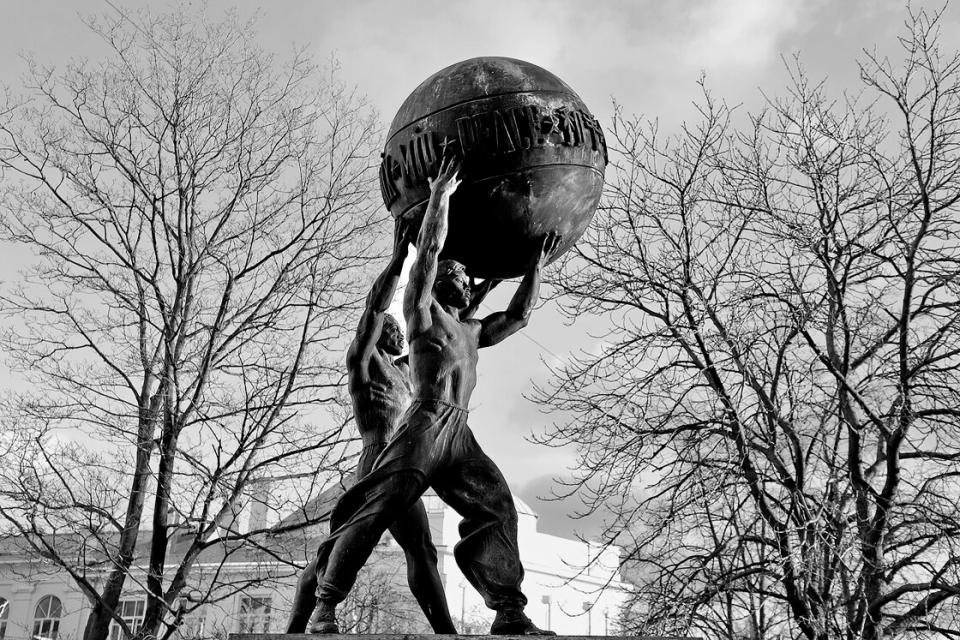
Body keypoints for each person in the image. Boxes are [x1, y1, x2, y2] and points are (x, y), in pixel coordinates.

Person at [308, 156, 561, 636]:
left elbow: (521, 315)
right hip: (422, 423)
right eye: (457, 275)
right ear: (440, 281)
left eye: (469, 279)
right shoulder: (421, 318)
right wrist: (440, 196)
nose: (465, 282)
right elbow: (426, 255)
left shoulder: (472, 331)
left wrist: (536, 266)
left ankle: (508, 610)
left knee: (497, 507)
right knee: (376, 507)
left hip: (459, 432)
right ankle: (325, 604)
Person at [287, 218, 497, 633]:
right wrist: (400, 258)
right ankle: (304, 621)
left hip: (402, 458)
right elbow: (375, 308)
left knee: (420, 549)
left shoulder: (405, 374)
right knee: (340, 549)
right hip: (374, 458)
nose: (401, 335)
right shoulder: (365, 366)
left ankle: (446, 633)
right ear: (379, 335)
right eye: (393, 330)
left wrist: (488, 283)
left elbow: (451, 326)